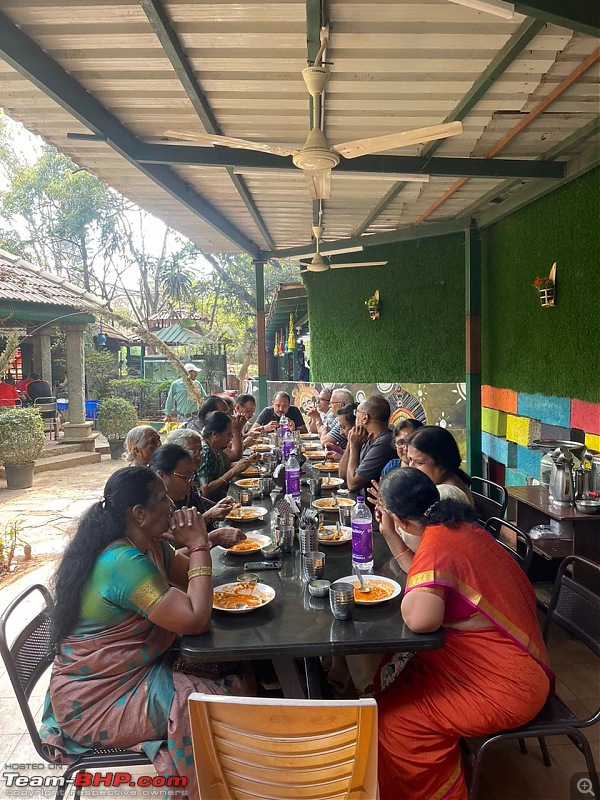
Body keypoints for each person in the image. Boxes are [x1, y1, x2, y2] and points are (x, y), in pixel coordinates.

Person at [40, 467, 253, 798]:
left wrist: (196, 545)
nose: (171, 503)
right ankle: (222, 787)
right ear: (140, 514)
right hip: (95, 700)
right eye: (161, 499)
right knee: (202, 703)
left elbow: (187, 582)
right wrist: (199, 544)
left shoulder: (149, 545)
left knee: (232, 670)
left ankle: (236, 776)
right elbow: (196, 618)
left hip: (123, 677)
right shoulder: (123, 561)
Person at [373, 467, 552, 800]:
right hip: (495, 662)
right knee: (391, 676)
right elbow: (432, 579)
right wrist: (391, 533)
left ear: (403, 519)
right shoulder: (455, 527)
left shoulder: (438, 545)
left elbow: (420, 619)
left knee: (399, 724)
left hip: (508, 685)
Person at [149, 443, 243, 548]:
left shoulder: (185, 493)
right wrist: (213, 537)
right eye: (186, 477)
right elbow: (172, 557)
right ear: (162, 476)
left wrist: (216, 507)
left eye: (192, 476)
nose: (191, 483)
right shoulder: (152, 511)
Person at [338, 395, 396, 492]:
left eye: (357, 414)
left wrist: (354, 447)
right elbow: (343, 477)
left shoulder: (385, 442)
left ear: (365, 417)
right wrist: (350, 443)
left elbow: (352, 484)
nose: (355, 419)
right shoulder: (363, 437)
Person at [406, 425, 474, 505]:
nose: (411, 467)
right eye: (410, 459)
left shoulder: (445, 496)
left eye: (419, 463)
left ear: (442, 464)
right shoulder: (443, 481)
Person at [196, 411, 257, 499]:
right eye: (228, 434)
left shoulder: (215, 447)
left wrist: (247, 461)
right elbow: (206, 490)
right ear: (214, 435)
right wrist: (234, 471)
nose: (232, 437)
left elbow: (223, 467)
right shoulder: (206, 452)